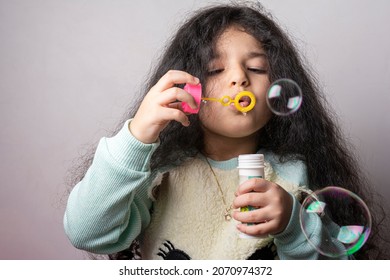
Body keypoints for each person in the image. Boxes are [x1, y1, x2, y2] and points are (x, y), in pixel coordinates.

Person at [64, 2, 388, 259]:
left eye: (257, 68)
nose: (238, 79)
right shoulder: (162, 175)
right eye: (215, 69)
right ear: (187, 91)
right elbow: (87, 232)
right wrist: (137, 136)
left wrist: (293, 223)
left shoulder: (294, 176)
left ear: (279, 90)